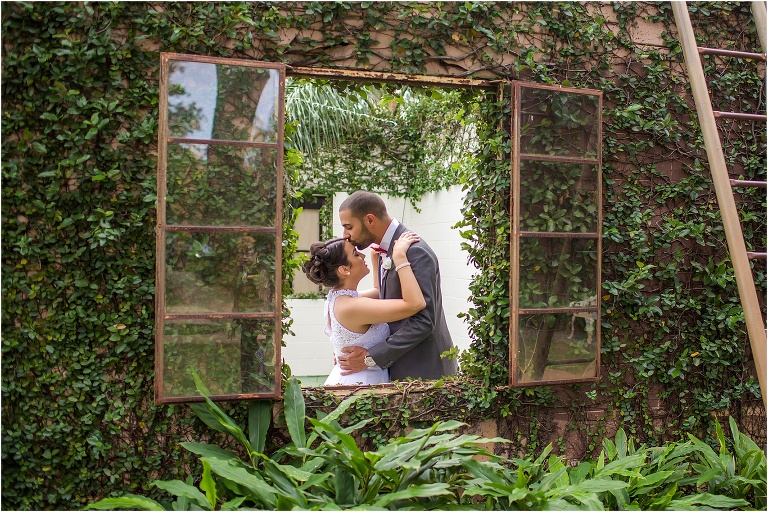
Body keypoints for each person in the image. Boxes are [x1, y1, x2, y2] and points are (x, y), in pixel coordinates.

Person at [336, 190, 459, 380]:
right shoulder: (381, 251)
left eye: (349, 227)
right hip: (397, 367)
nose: (346, 235)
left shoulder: (414, 252)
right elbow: (385, 300)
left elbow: (424, 321)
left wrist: (370, 358)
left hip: (423, 370)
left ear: (370, 220)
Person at [302, 232, 425, 385]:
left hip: (361, 378)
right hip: (361, 382)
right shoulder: (352, 307)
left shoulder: (339, 297)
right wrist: (400, 258)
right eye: (355, 254)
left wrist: (375, 258)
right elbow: (415, 304)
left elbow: (379, 292)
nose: (362, 256)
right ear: (344, 269)